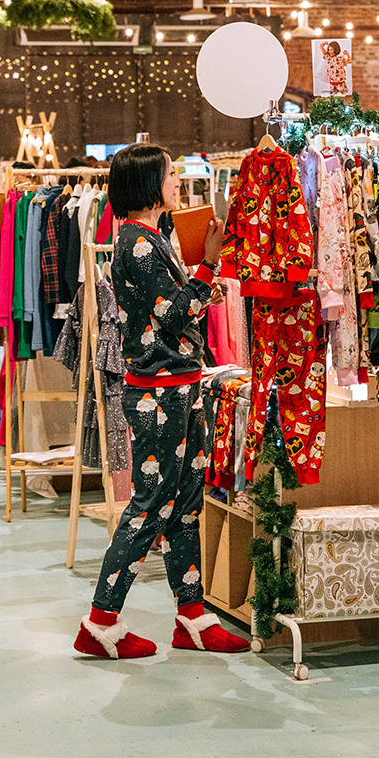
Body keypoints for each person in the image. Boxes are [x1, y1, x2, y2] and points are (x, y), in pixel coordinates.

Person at [71, 143, 249, 660]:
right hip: (159, 392)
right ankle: (101, 619)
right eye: (171, 174)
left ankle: (191, 615)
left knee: (186, 503)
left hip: (182, 384)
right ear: (150, 183)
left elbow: (178, 310)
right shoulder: (137, 243)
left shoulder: (151, 238)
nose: (177, 182)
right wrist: (208, 266)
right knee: (149, 505)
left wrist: (204, 280)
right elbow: (175, 313)